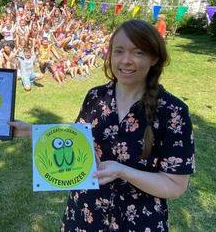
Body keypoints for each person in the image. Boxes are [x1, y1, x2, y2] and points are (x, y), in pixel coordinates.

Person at [11, 19, 195, 231]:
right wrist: (31, 131)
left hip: (138, 221)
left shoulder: (173, 111)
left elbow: (175, 186)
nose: (126, 60)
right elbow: (75, 143)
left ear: (154, 58)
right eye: (118, 51)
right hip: (84, 214)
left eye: (138, 53)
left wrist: (122, 171)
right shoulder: (96, 97)